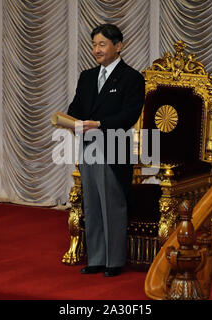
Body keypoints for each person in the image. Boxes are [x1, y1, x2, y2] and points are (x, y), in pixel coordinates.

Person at [67, 24, 145, 277]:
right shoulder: (87, 76)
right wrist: (71, 121)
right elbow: (76, 106)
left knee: (112, 204)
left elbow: (129, 114)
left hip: (114, 149)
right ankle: (98, 258)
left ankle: (114, 261)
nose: (96, 50)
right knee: (92, 204)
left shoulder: (132, 77)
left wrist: (99, 124)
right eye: (94, 45)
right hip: (88, 147)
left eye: (101, 44)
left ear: (118, 46)